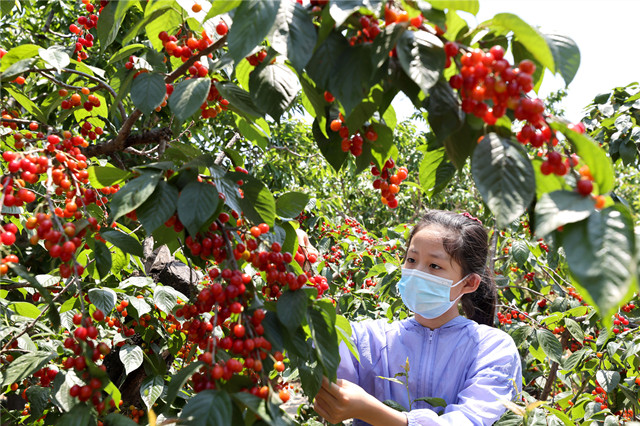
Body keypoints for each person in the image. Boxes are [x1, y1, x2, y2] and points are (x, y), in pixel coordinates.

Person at [313, 210, 522, 425]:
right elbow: (307, 345)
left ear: (469, 283)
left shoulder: (493, 348)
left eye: (434, 266)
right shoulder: (369, 339)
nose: (417, 273)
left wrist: (371, 411)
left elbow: (470, 420)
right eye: (411, 260)